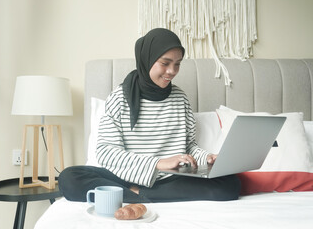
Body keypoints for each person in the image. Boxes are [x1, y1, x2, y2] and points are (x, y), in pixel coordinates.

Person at [59, 28, 241, 203]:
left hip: (170, 179)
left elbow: (189, 147)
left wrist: (208, 158)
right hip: (124, 177)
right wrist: (158, 163)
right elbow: (107, 153)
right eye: (165, 63)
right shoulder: (119, 98)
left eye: (177, 64)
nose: (172, 71)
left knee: (230, 184)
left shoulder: (180, 99)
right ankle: (143, 193)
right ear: (147, 59)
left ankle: (137, 195)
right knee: (69, 178)